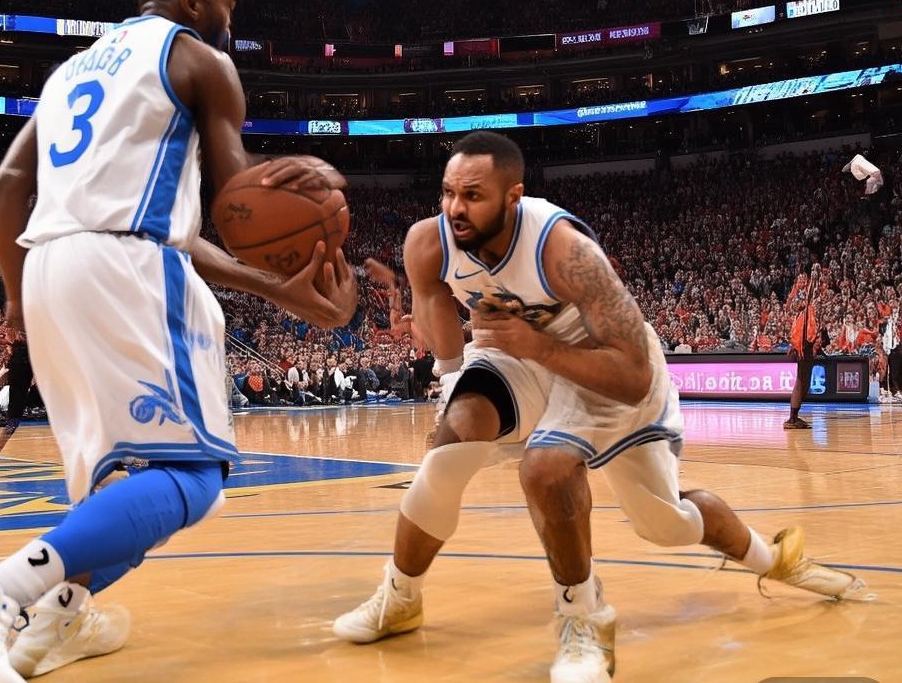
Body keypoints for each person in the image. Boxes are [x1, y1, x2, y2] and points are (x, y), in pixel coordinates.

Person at [0, 0, 358, 683]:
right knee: (192, 479)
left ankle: (59, 618)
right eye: (228, 4)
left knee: (124, 486)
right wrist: (310, 255)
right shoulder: (200, 60)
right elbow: (240, 212)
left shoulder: (70, 73)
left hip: (50, 268)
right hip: (129, 270)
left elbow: (6, 191)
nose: (231, 20)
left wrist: (17, 296)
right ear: (194, 0)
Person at [331, 132, 872, 683]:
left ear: (513, 197)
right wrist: (451, 381)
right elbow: (437, 316)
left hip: (603, 363)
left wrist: (539, 347)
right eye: (448, 193)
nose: (455, 209)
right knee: (455, 443)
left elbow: (633, 376)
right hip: (515, 354)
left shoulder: (564, 251)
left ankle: (774, 559)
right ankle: (425, 599)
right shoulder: (429, 242)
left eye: (472, 196)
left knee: (657, 520)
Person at [0, 326, 35, 474]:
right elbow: (5, 375)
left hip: (28, 384)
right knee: (12, 424)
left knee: (12, 424)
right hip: (19, 388)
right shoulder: (16, 352)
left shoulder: (29, 347)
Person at [786, 265, 825, 429]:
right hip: (804, 347)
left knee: (805, 382)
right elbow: (809, 297)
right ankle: (792, 418)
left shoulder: (803, 315)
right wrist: (813, 279)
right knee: (801, 381)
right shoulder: (806, 311)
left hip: (805, 346)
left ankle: (795, 416)